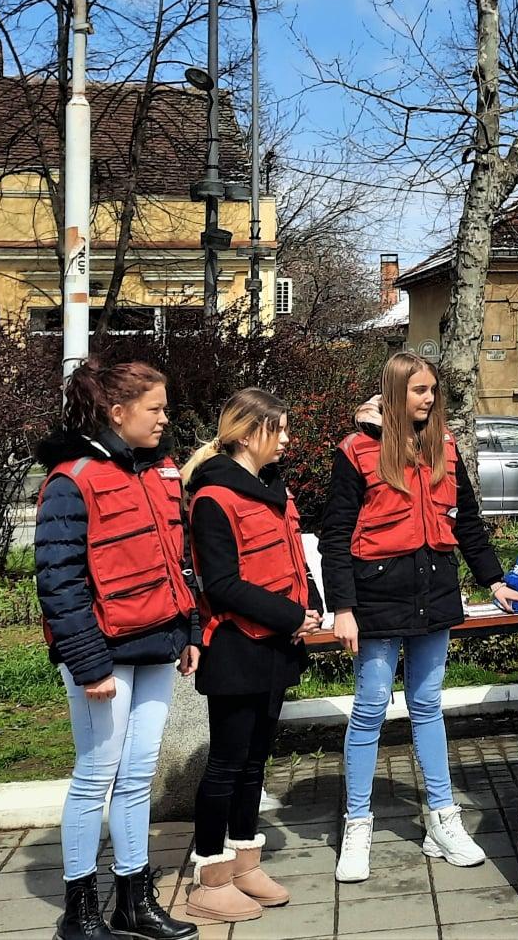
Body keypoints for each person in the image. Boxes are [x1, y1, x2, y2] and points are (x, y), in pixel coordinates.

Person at [322, 352, 518, 883]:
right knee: (370, 708)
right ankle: (357, 824)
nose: (430, 398)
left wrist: (494, 581)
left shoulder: (444, 446)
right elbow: (336, 536)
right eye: (420, 389)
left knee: (427, 705)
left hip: (434, 592)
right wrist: (343, 607)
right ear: (396, 391)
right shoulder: (356, 451)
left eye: (433, 389)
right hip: (376, 598)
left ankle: (442, 819)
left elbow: (468, 523)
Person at [34, 357, 200, 940]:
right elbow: (59, 582)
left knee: (137, 775)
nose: (164, 419)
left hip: (157, 642)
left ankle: (133, 900)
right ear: (118, 411)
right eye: (155, 408)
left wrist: (189, 631)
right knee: (96, 775)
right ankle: (79, 912)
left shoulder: (160, 472)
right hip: (101, 654)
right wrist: (88, 665)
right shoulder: (71, 480)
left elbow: (180, 559)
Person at [182, 389, 323, 922]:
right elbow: (221, 583)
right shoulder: (213, 497)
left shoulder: (274, 490)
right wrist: (290, 615)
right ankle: (210, 875)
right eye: (277, 429)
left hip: (275, 646)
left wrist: (310, 606)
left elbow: (293, 558)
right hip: (236, 648)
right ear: (245, 434)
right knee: (226, 762)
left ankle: (243, 861)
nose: (286, 439)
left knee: (255, 761)